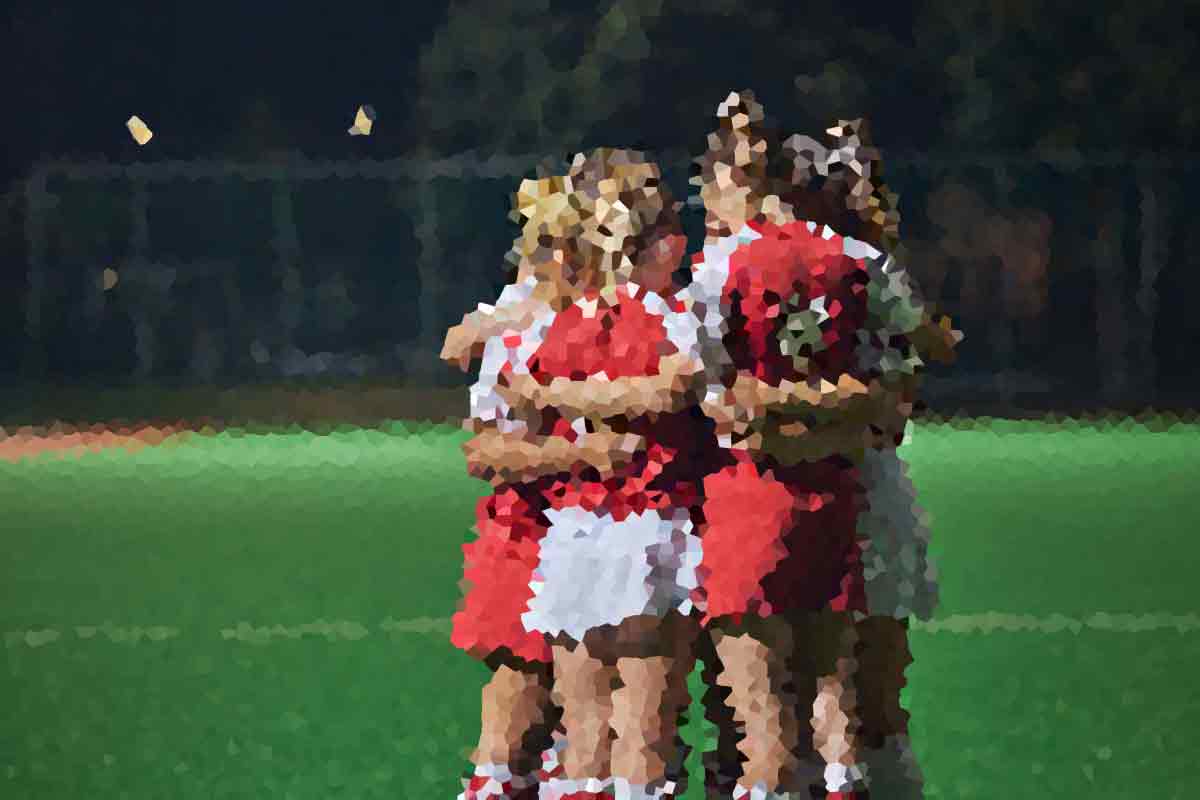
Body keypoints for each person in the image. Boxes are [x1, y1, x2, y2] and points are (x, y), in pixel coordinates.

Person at [683, 90, 961, 800]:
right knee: (838, 711)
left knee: (764, 727)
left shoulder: (723, 265)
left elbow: (704, 386)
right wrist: (844, 403)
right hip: (839, 492)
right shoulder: (861, 261)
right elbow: (921, 356)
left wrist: (764, 405)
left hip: (751, 495)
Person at [445, 148, 715, 800]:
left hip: (585, 530)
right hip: (556, 531)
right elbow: (485, 450)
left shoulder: (567, 320)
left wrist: (557, 397)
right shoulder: (541, 316)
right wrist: (583, 453)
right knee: (571, 725)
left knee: (592, 736)